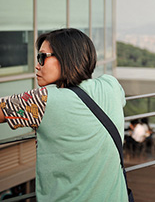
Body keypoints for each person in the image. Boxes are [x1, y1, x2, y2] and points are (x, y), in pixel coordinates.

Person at [0, 28, 128, 201]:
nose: (37, 65)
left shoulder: (42, 100)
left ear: (66, 57)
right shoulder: (110, 85)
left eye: (42, 57)